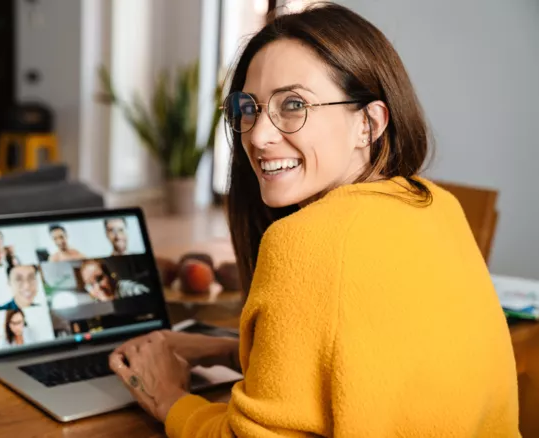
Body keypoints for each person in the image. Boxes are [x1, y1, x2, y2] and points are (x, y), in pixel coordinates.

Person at [107, 4, 520, 437]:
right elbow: (373, 368)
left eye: (293, 104)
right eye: (249, 108)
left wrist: (168, 397)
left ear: (369, 122)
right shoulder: (436, 204)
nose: (258, 135)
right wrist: (231, 352)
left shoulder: (306, 240)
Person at [79, 259, 149, 302]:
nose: (98, 288)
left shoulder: (130, 289)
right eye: (90, 284)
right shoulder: (96, 302)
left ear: (109, 275)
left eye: (99, 279)